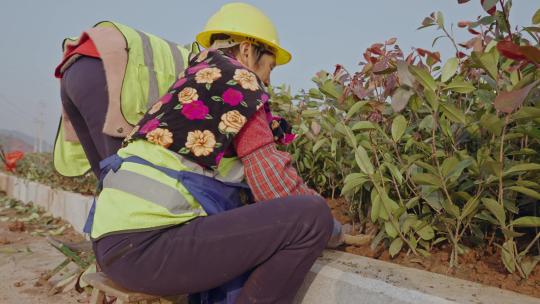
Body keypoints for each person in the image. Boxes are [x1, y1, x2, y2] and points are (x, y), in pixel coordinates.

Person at [85, 3, 344, 303]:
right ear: (248, 51)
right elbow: (273, 186)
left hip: (113, 246)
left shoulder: (191, 84)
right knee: (311, 217)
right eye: (270, 67)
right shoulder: (239, 83)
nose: (269, 80)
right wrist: (333, 229)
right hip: (149, 250)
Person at [54, 21, 195, 178]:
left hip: (72, 68)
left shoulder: (189, 62)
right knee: (125, 177)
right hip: (103, 68)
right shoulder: (208, 74)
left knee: (107, 178)